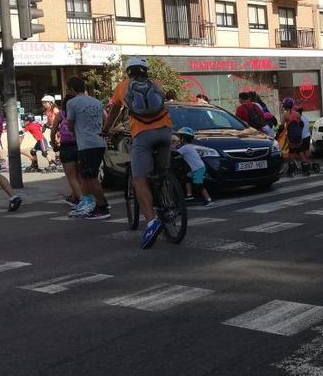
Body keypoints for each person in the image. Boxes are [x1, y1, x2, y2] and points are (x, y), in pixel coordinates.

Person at [103, 57, 173, 247]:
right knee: (163, 171)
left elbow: (114, 111)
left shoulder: (122, 87)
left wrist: (106, 129)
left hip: (143, 134)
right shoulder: (156, 83)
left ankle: (151, 222)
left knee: (139, 179)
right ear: (145, 70)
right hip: (166, 131)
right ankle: (168, 197)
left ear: (129, 71)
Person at [65, 76, 109, 220]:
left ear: (71, 89)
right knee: (86, 176)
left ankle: (102, 207)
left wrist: (74, 131)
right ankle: (92, 203)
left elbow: (69, 123)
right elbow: (105, 119)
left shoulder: (72, 103)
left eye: (68, 88)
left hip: (86, 144)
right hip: (99, 142)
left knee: (90, 178)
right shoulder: (97, 102)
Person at [51, 93, 82, 208]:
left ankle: (82, 200)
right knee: (79, 175)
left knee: (71, 176)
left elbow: (53, 131)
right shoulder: (79, 113)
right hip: (80, 144)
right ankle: (75, 197)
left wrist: (54, 144)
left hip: (66, 146)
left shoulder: (61, 114)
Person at [174, 127, 213, 208]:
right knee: (187, 178)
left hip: (198, 169)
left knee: (199, 185)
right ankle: (189, 195)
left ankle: (208, 199)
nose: (178, 139)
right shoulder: (188, 146)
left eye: (179, 137)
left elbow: (175, 154)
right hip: (196, 168)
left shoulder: (186, 147)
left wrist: (173, 146)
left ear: (183, 138)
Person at [280, 97, 304, 176]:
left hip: (291, 134)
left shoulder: (284, 114)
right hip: (298, 133)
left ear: (284, 106)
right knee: (299, 150)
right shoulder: (297, 113)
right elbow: (301, 124)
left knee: (291, 151)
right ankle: (305, 166)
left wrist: (278, 134)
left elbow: (281, 127)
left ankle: (291, 169)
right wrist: (299, 131)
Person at [296, 106, 314, 172]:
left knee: (299, 151)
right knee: (306, 150)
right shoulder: (306, 118)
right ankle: (310, 163)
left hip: (302, 137)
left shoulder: (298, 120)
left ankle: (305, 164)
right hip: (308, 136)